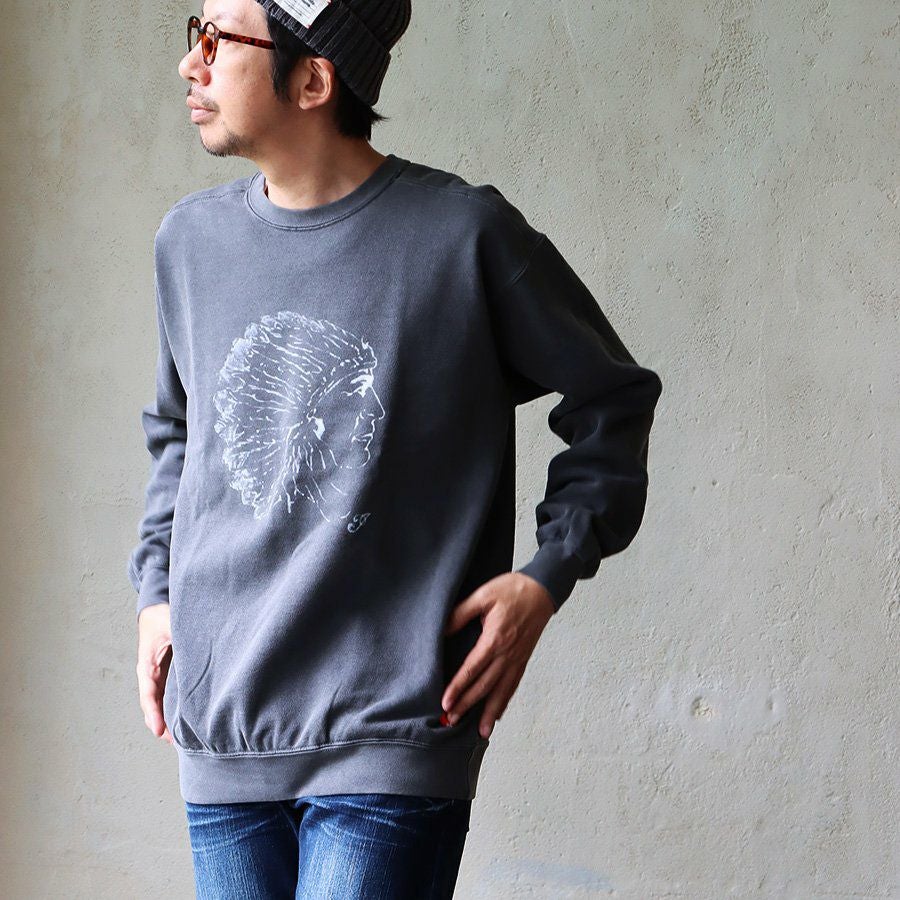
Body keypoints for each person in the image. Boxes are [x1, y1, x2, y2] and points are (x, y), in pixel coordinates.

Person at [127, 0, 664, 896]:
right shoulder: (190, 243)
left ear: (313, 79)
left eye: (218, 39)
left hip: (392, 731)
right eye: (197, 34)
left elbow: (611, 396)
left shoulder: (461, 236)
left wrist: (547, 575)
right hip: (224, 729)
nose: (193, 64)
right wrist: (156, 594)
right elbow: (178, 431)